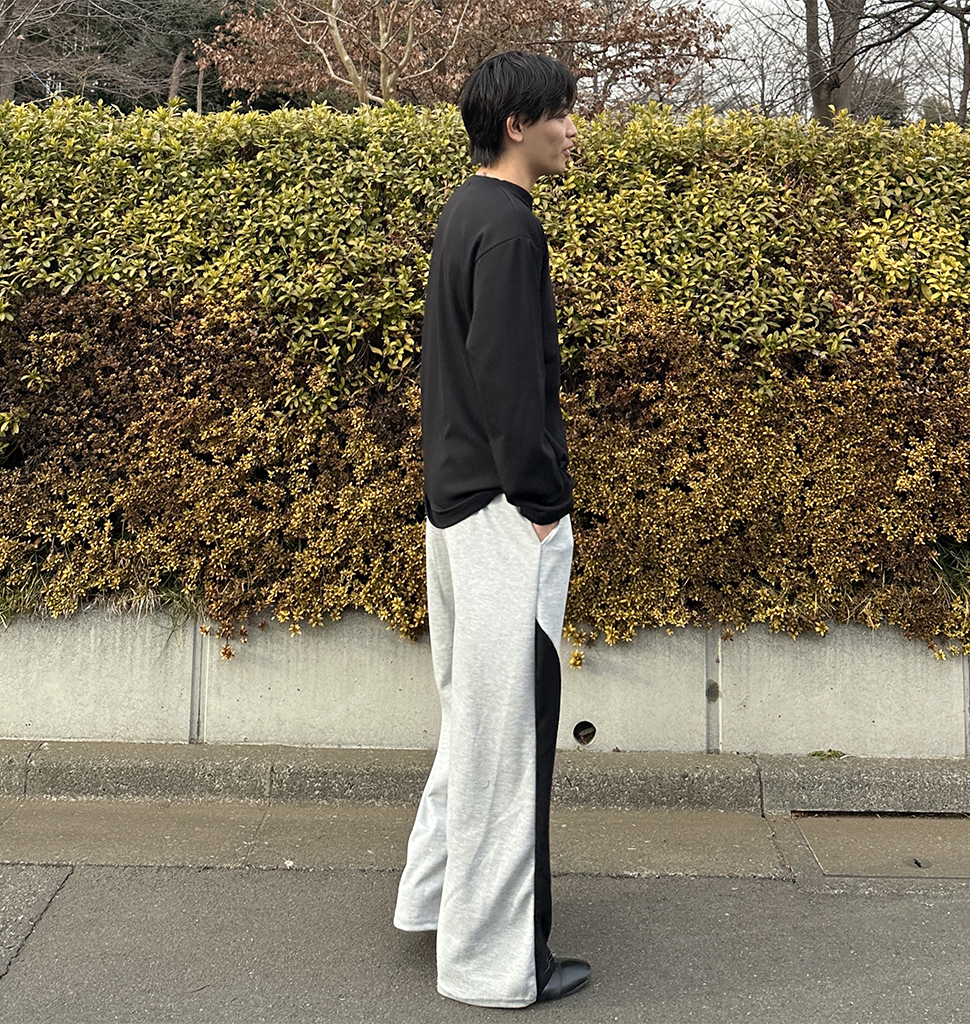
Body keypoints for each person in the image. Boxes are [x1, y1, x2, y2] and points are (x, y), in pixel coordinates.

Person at [392, 51, 590, 1008]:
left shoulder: (464, 212)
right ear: (518, 124)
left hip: (457, 505)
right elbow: (511, 389)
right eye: (562, 114)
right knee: (508, 743)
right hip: (505, 514)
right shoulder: (509, 228)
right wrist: (544, 505)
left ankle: (433, 900)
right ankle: (495, 965)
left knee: (475, 723)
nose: (572, 130)